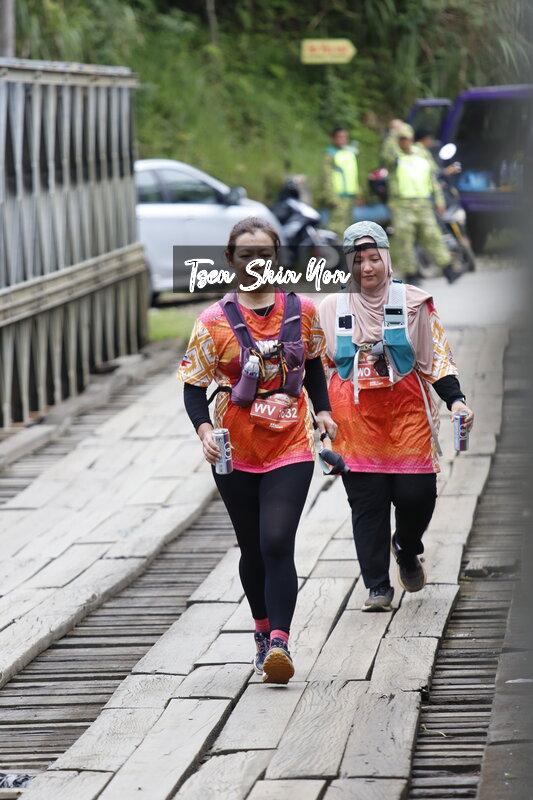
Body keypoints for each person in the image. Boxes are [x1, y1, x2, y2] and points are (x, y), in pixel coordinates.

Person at [179, 216, 336, 684]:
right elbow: (193, 385)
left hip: (291, 442)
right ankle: (262, 632)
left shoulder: (302, 310)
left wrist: (323, 411)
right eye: (246, 255)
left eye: (264, 254)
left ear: (277, 257)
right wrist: (204, 431)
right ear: (231, 260)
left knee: (276, 541)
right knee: (251, 546)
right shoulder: (212, 321)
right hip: (235, 449)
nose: (256, 262)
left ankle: (281, 644)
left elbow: (313, 365)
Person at [319, 221, 474, 612]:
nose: (367, 267)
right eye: (358, 260)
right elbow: (317, 365)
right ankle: (377, 586)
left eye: (374, 258)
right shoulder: (330, 308)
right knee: (367, 503)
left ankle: (406, 547)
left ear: (387, 258)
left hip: (406, 413)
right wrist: (318, 413)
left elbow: (437, 357)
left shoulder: (413, 303)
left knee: (416, 495)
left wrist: (456, 401)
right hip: (354, 419)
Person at [382, 122, 460, 285]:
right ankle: (411, 274)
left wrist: (439, 200)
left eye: (407, 138)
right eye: (401, 139)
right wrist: (392, 133)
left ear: (412, 139)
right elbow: (386, 153)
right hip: (402, 205)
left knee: (433, 236)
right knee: (405, 241)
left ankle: (448, 268)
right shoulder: (395, 157)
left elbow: (432, 178)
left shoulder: (421, 154)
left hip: (423, 203)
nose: (405, 142)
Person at [322, 126, 361, 238]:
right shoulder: (330, 154)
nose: (342, 140)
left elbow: (353, 174)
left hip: (350, 197)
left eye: (345, 137)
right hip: (338, 197)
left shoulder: (349, 154)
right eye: (339, 137)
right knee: (336, 227)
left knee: (348, 227)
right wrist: (331, 196)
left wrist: (358, 193)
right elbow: (327, 177)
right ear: (333, 139)